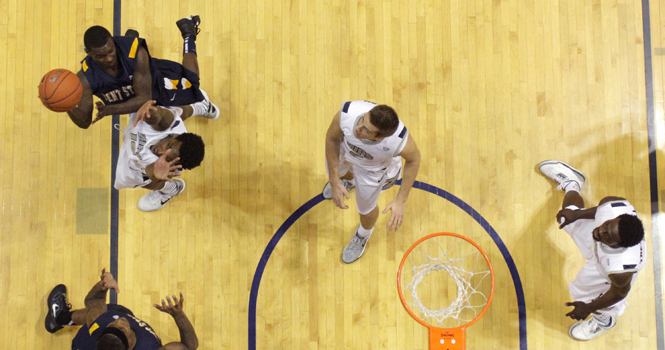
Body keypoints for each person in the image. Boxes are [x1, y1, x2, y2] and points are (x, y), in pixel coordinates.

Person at [538, 160, 646, 341]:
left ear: (620, 245)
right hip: (603, 248)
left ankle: (604, 320)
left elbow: (618, 293)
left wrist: (587, 308)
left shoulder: (621, 270)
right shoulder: (612, 207)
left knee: (581, 295)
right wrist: (577, 214)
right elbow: (601, 216)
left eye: (609, 236)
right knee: (568, 215)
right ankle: (572, 183)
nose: (601, 231)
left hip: (603, 269)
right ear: (614, 218)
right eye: (606, 226)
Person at [66, 16, 219, 129]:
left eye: (111, 51)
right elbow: (84, 121)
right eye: (100, 56)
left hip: (156, 85)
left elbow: (145, 98)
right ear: (88, 52)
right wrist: (65, 104)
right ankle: (130, 39)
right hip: (130, 94)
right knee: (165, 120)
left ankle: (189, 34)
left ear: (113, 41)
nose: (108, 58)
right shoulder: (85, 78)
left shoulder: (138, 54)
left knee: (192, 84)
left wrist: (110, 109)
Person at [323, 101, 421, 263]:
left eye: (366, 130)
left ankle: (363, 234)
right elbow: (332, 139)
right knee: (339, 173)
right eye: (362, 120)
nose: (358, 128)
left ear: (380, 137)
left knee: (366, 210)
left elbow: (414, 160)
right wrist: (334, 181)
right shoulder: (348, 112)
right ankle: (350, 181)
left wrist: (400, 200)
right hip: (345, 151)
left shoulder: (398, 142)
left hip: (373, 171)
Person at [44, 269, 198, 350]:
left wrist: (102, 287)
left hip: (82, 345)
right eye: (121, 329)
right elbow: (190, 347)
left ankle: (58, 319)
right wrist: (179, 316)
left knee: (108, 312)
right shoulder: (150, 348)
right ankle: (59, 319)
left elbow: (94, 301)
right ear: (130, 343)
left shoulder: (97, 322)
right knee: (119, 311)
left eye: (114, 325)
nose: (120, 321)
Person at [114, 99, 206, 211]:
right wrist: (152, 112)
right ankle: (201, 107)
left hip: (133, 157)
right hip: (141, 122)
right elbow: (161, 116)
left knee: (144, 181)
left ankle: (171, 189)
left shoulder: (163, 166)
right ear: (175, 136)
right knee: (178, 110)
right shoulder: (168, 125)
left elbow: (150, 171)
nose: (160, 152)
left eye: (167, 158)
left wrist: (154, 175)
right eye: (168, 146)